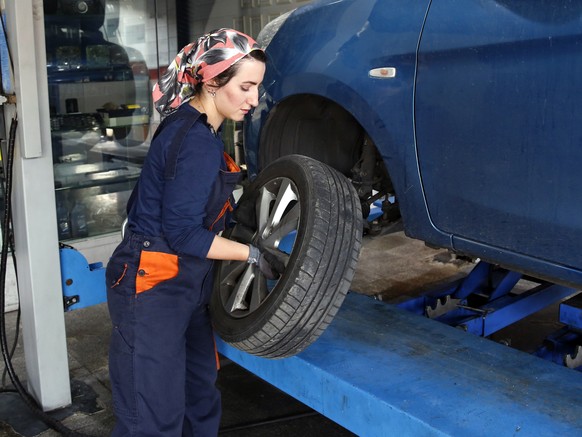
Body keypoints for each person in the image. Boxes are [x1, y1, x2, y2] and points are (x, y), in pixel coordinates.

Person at [105, 28, 283, 436]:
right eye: (246, 86)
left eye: (257, 87)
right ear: (212, 80)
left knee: (199, 400)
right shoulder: (195, 140)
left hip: (187, 286)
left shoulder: (200, 130)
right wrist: (251, 255)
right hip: (153, 286)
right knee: (152, 418)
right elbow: (184, 234)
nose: (254, 99)